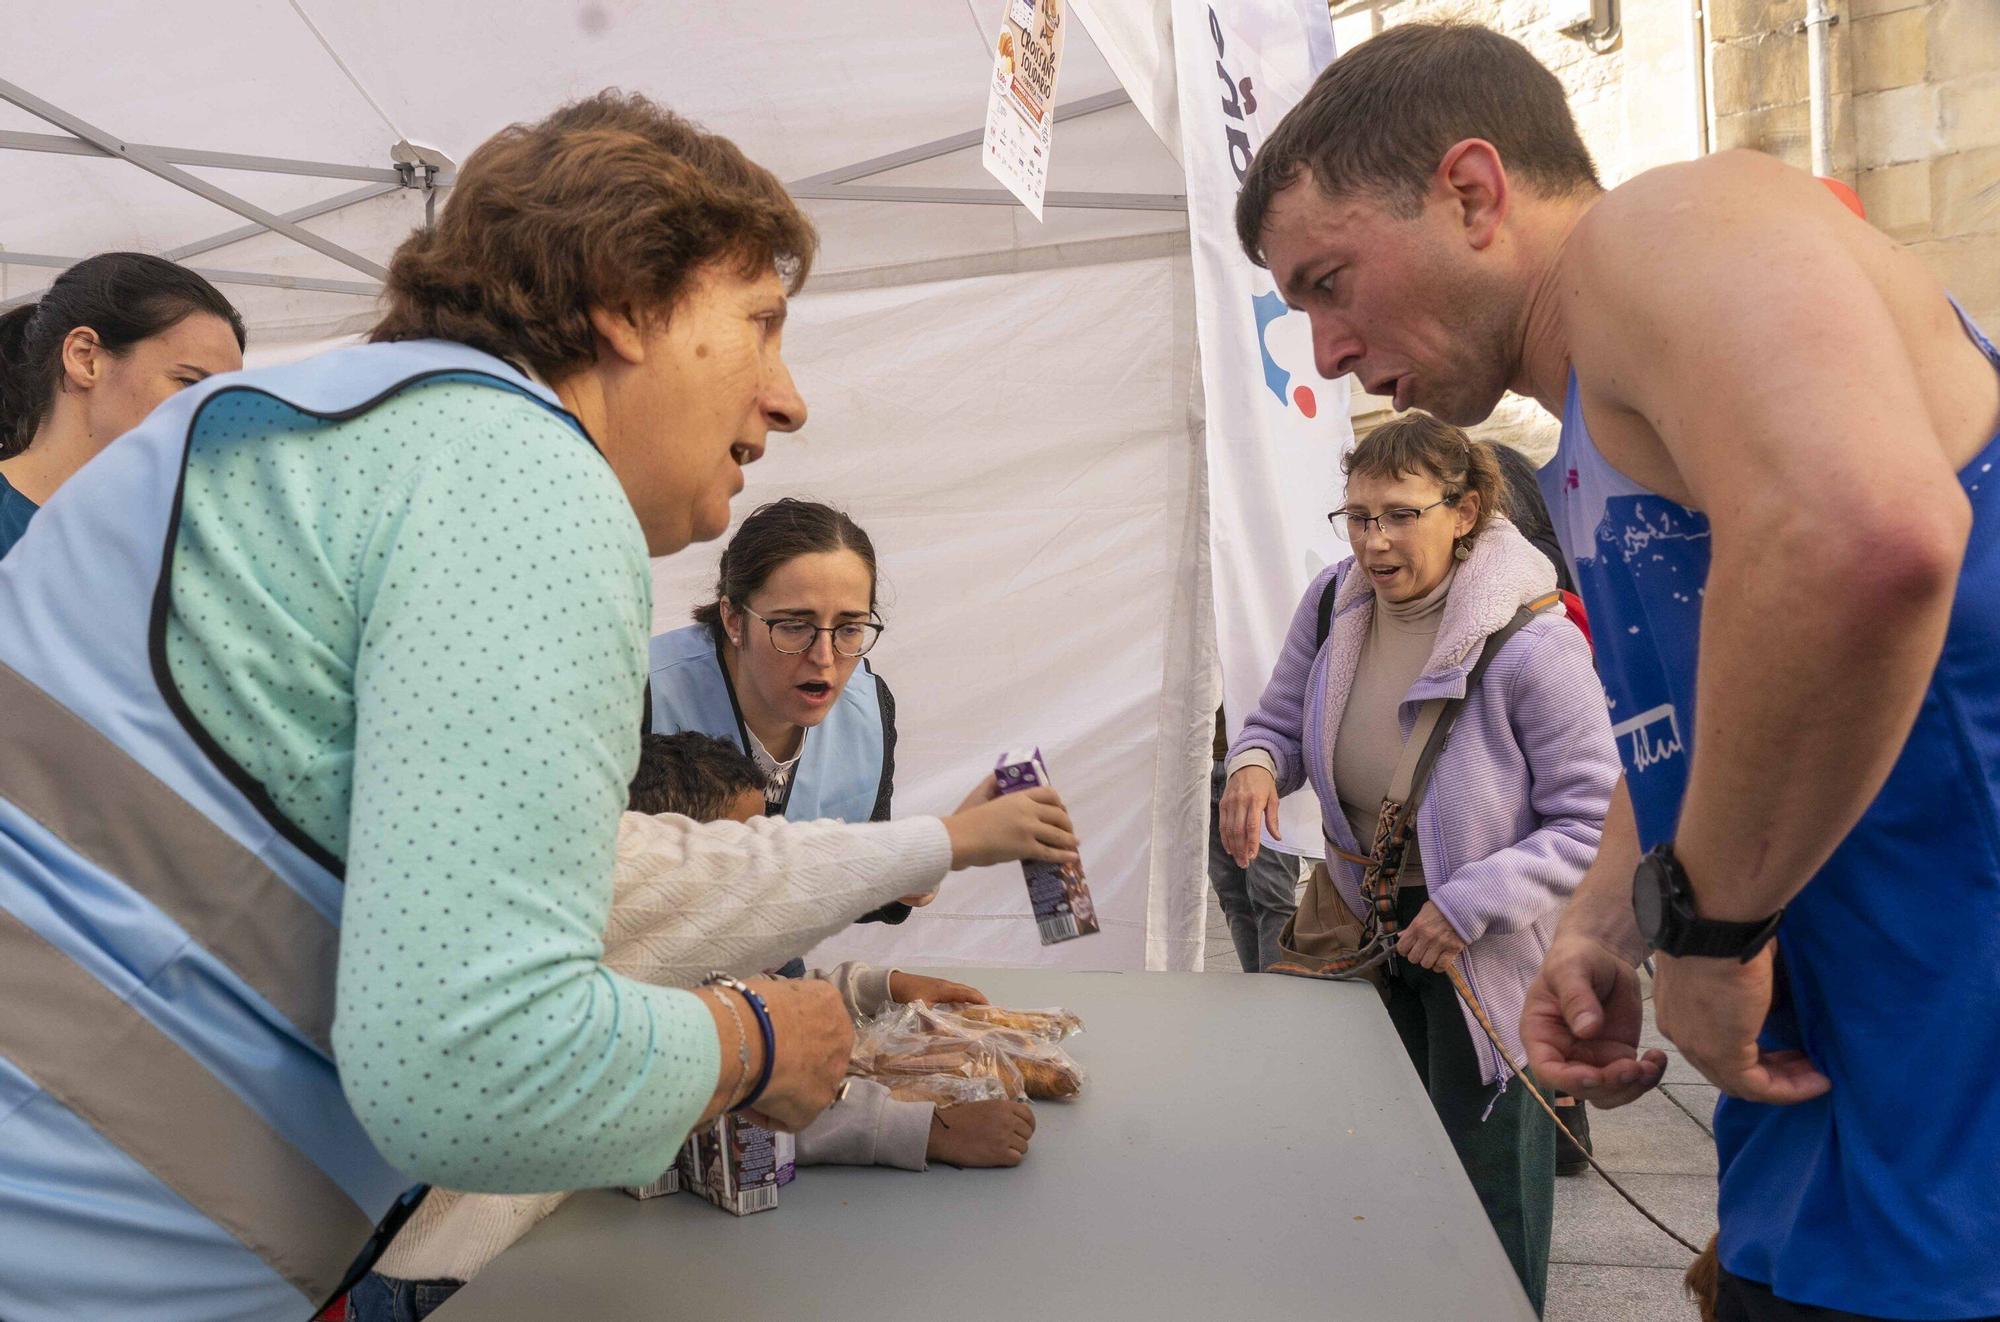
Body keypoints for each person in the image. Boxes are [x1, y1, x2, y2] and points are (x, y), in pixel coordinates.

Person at [0, 91, 1076, 1322]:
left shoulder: (273, 430)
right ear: (623, 301)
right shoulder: (522, 472)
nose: (787, 398)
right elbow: (472, 1069)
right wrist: (753, 1044)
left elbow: (546, 878)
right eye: (761, 326)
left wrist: (908, 885)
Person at [1236, 22, 2000, 1321]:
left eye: (1328, 282)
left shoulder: (1671, 223)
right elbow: (1697, 713)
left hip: (1956, 1177)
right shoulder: (1597, 419)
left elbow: (1872, 534)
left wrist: (1708, 921)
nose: (1325, 353)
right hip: (1848, 1174)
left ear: (1472, 193)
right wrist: (1608, 918)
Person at [351, 733, 1037, 1321]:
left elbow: (767, 976)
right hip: (451, 1280)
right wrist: (923, 1128)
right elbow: (732, 1091)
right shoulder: (587, 901)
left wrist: (874, 987)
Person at [1219, 414, 1617, 1314]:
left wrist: (1473, 900)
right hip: (1359, 928)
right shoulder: (1332, 603)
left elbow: (1592, 818)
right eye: (1356, 516)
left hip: (1479, 950)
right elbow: (1277, 722)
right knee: (1363, 1164)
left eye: (1399, 515)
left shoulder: (1535, 642)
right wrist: (1251, 765)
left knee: (1487, 1196)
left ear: (1466, 511)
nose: (1374, 541)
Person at [650, 498, 925, 931]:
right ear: (734, 619)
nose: (824, 658)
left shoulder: (870, 710)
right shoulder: (637, 693)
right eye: (794, 626)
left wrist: (892, 877)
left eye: (850, 628)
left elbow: (828, 888)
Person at [0, 251, 243, 556]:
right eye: (190, 383)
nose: (216, 418)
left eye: (226, 398)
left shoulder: (176, 541)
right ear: (85, 358)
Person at [1206, 708, 1300, 971]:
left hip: (1260, 765)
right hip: (1201, 760)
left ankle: (1275, 996)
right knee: (1231, 894)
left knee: (1272, 893)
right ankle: (1255, 987)